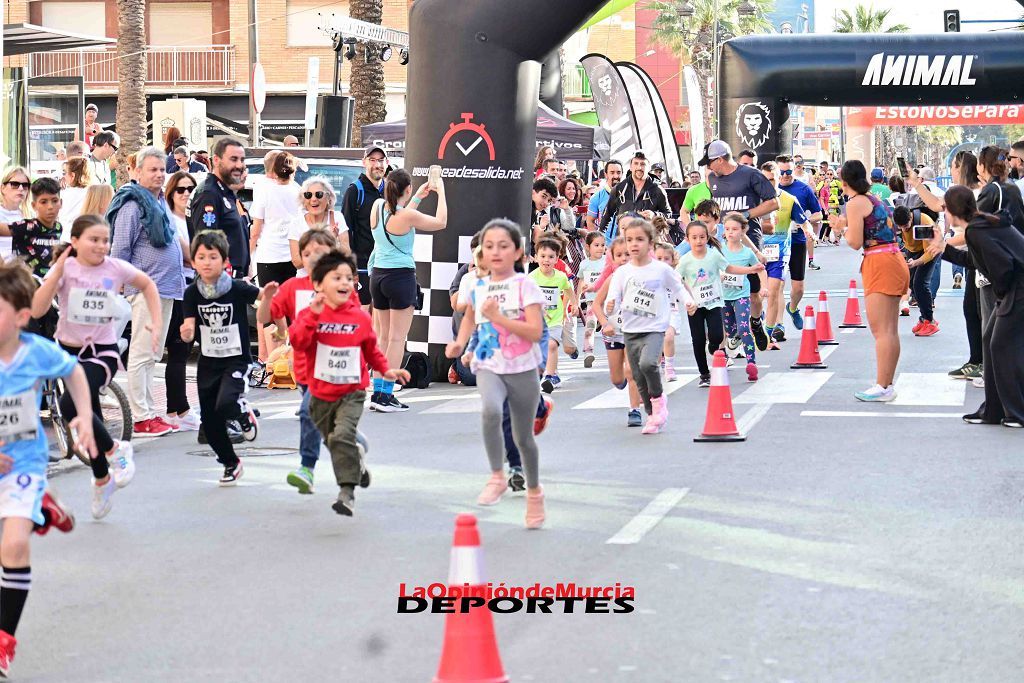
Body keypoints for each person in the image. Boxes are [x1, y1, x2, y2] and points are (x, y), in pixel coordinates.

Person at [0, 260, 98, 678]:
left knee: (14, 548)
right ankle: (41, 504)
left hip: (23, 460)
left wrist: (86, 416)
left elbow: (74, 371)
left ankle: (4, 640)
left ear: (22, 318)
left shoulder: (36, 352)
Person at [33, 214, 162, 516]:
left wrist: (155, 323)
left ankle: (117, 450)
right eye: (94, 239)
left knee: (68, 406)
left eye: (106, 240)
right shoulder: (66, 268)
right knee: (88, 417)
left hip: (101, 351)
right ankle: (102, 478)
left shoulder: (115, 268)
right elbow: (38, 308)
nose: (102, 246)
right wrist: (56, 272)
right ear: (75, 242)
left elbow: (147, 285)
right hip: (68, 353)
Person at [289, 249, 408, 515]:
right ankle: (358, 464)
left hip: (351, 392)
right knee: (333, 440)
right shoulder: (312, 315)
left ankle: (347, 492)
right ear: (318, 284)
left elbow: (372, 351)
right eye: (336, 278)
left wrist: (387, 371)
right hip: (319, 393)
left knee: (341, 435)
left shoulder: (360, 318)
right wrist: (311, 316)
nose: (345, 283)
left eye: (348, 278)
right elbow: (298, 341)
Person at [446, 219, 547, 526]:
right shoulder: (478, 286)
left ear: (518, 251)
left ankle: (533, 492)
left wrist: (499, 318)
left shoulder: (525, 285)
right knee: (490, 410)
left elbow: (533, 331)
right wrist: (460, 343)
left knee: (523, 438)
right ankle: (496, 475)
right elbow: (470, 319)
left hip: (522, 367)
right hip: (490, 362)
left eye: (503, 246)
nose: (495, 252)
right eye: (489, 247)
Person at [928, 185, 1024, 428]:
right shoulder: (981, 225)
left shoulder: (977, 231)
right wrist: (945, 249)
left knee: (1000, 345)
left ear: (950, 211)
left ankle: (1016, 412)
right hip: (1014, 288)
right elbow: (974, 261)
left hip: (1017, 289)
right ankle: (993, 410)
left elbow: (1002, 267)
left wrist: (1003, 296)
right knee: (990, 341)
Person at [107, 147, 185, 436]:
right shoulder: (132, 205)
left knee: (151, 354)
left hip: (164, 289)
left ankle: (149, 412)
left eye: (162, 169)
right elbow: (119, 251)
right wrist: (116, 294)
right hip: (142, 291)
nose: (159, 174)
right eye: (152, 169)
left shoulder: (159, 201)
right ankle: (141, 417)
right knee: (141, 353)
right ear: (136, 172)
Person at [180, 231, 267, 485]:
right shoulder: (192, 293)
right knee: (210, 420)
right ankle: (230, 463)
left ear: (225, 260)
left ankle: (242, 413)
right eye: (201, 257)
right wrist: (186, 333)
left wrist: (271, 300)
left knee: (226, 402)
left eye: (213, 257)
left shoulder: (237, 288)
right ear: (193, 262)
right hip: (208, 363)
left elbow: (263, 297)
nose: (207, 262)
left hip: (236, 359)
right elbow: (188, 328)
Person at [262, 229, 338, 493]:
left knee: (308, 411)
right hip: (304, 366)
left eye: (319, 251)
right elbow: (267, 316)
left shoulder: (341, 284)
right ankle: (351, 442)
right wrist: (267, 300)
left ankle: (306, 468)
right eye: (307, 253)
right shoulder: (294, 287)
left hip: (331, 366)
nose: (313, 257)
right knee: (323, 421)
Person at [367, 168, 447, 412]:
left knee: (383, 337)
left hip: (378, 275)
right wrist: (440, 192)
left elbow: (399, 214)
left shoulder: (377, 207)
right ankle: (385, 395)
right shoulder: (407, 217)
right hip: (400, 277)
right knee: (397, 338)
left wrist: (417, 197)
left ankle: (378, 391)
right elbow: (441, 222)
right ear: (407, 189)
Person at [830, 160, 909, 402]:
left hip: (880, 263)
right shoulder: (874, 199)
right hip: (894, 259)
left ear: (845, 180)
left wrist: (839, 227)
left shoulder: (855, 203)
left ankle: (883, 386)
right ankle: (886, 384)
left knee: (881, 331)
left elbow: (854, 242)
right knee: (890, 330)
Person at [605, 219, 695, 433]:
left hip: (655, 328)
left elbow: (678, 287)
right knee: (636, 375)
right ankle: (652, 411)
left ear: (650, 243)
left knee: (648, 364)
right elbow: (613, 296)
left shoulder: (661, 269)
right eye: (629, 240)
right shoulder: (622, 272)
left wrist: (689, 302)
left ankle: (659, 401)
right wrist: (610, 305)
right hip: (630, 329)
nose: (634, 245)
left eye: (639, 240)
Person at [699, 140, 778, 349]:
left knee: (752, 290)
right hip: (723, 240)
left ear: (720, 159)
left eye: (710, 162)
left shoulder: (750, 174)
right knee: (725, 286)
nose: (708, 167)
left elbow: (773, 202)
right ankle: (731, 331)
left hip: (749, 235)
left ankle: (755, 321)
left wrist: (745, 215)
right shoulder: (712, 178)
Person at [677, 220, 763, 387]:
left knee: (716, 336)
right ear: (687, 239)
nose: (698, 241)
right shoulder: (685, 260)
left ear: (707, 237)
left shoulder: (714, 254)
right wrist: (686, 299)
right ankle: (704, 374)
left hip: (715, 302)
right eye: (694, 238)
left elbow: (729, 268)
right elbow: (676, 280)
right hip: (695, 306)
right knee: (698, 339)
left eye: (702, 237)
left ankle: (716, 347)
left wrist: (750, 270)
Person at [251, 151, 302, 361]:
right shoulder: (299, 191)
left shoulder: (266, 191)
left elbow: (256, 227)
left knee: (271, 309)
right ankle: (287, 363)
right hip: (292, 256)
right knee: (290, 310)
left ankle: (272, 363)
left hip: (268, 255)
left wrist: (250, 252)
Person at [0, 178, 65, 342]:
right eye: (43, 202)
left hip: (49, 287)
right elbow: (4, 229)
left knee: (48, 331)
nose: (50, 207)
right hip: (26, 288)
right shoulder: (27, 226)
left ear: (61, 203)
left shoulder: (58, 228)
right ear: (34, 205)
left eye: (54, 201)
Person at [592, 232, 644, 427]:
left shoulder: (641, 277)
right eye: (619, 255)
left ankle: (634, 411)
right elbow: (596, 305)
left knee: (631, 371)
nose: (623, 259)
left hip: (634, 333)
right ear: (612, 259)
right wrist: (605, 323)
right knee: (617, 378)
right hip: (613, 332)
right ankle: (622, 382)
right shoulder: (612, 279)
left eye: (627, 255)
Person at [163, 171, 200, 431]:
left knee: (185, 350)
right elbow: (190, 254)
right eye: (181, 190)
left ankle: (177, 409)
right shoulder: (170, 220)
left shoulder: (193, 219)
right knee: (178, 349)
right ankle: (178, 409)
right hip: (177, 288)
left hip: (195, 286)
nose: (186, 193)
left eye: (190, 189)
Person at [759, 161, 809, 345]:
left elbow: (804, 220)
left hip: (781, 252)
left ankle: (772, 329)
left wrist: (808, 230)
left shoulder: (789, 199)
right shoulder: (753, 199)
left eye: (772, 180)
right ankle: (758, 323)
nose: (768, 184)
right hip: (756, 253)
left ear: (778, 179)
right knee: (757, 295)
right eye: (765, 180)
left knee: (775, 290)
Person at [187, 137, 249, 278]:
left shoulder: (225, 192)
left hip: (233, 281)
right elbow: (206, 246)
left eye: (242, 160)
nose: (239, 165)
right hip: (219, 283)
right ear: (216, 160)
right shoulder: (209, 194)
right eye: (233, 159)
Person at [341, 145, 388, 310]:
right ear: (364, 162)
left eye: (381, 160)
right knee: (362, 313)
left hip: (385, 263)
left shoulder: (389, 190)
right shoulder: (355, 190)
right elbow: (345, 231)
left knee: (381, 316)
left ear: (387, 163)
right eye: (373, 160)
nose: (377, 165)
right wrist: (350, 265)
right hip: (361, 264)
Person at [531, 237, 578, 393]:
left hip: (555, 319)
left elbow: (569, 290)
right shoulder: (532, 278)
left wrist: (574, 304)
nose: (546, 260)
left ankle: (551, 376)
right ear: (536, 257)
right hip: (536, 321)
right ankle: (546, 372)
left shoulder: (560, 277)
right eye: (543, 256)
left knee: (551, 344)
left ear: (557, 258)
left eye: (551, 257)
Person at [720, 213, 762, 380]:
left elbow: (760, 268)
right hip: (723, 297)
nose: (730, 232)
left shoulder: (747, 253)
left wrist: (764, 287)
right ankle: (734, 337)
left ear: (743, 231)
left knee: (744, 328)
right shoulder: (719, 250)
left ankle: (751, 363)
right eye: (728, 229)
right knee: (730, 331)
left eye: (735, 229)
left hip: (741, 295)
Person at [598, 152, 671, 240]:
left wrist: (654, 215)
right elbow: (606, 215)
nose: (639, 167)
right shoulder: (619, 188)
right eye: (636, 163)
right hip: (623, 240)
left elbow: (668, 214)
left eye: (643, 164)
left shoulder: (657, 190)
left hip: (647, 241)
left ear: (648, 167)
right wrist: (600, 237)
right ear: (631, 166)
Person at [892, 205, 939, 336]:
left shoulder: (924, 223)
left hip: (931, 250)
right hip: (913, 251)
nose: (903, 229)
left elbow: (929, 253)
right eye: (900, 227)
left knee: (920, 284)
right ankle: (924, 318)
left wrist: (916, 262)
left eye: (905, 226)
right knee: (912, 284)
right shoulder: (898, 223)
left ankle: (929, 321)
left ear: (911, 218)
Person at [290, 176, 349, 272]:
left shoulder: (337, 218)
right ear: (303, 200)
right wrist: (329, 245)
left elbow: (346, 254)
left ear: (329, 198)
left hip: (331, 279)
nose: (313, 199)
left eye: (319, 194)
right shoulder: (296, 223)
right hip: (306, 281)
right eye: (308, 195)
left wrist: (310, 253)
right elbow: (297, 263)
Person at [777, 155, 823, 273]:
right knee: (777, 284)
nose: (785, 175)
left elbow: (819, 214)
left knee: (798, 288)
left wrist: (803, 221)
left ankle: (811, 260)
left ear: (793, 171)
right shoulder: (771, 188)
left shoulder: (804, 189)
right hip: (775, 243)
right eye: (782, 172)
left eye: (788, 172)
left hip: (797, 241)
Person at [576, 231, 606, 368]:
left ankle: (618, 351)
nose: (600, 248)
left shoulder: (607, 261)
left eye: (602, 245)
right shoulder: (584, 264)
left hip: (607, 302)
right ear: (588, 247)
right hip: (592, 302)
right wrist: (576, 302)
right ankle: (588, 352)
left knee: (611, 329)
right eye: (596, 245)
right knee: (589, 327)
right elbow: (580, 282)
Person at [0, 168, 31, 260]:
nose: (21, 188)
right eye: (15, 184)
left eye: (25, 185)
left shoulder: (31, 216)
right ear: (3, 188)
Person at [586, 160, 624, 234]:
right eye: (612, 172)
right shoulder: (597, 197)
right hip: (606, 244)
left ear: (622, 174)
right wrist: (598, 241)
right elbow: (590, 221)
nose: (616, 176)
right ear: (606, 174)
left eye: (618, 172)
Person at [58, 157, 93, 235]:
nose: (64, 176)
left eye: (65, 173)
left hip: (66, 234)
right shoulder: (92, 192)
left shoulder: (65, 193)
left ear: (72, 176)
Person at [816, 167, 844, 245]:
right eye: (827, 174)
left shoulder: (836, 182)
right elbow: (817, 190)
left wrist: (840, 196)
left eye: (831, 174)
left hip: (834, 204)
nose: (829, 175)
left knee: (832, 223)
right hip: (826, 205)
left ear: (833, 175)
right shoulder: (823, 183)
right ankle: (822, 239)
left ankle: (832, 239)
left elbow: (845, 188)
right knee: (826, 223)